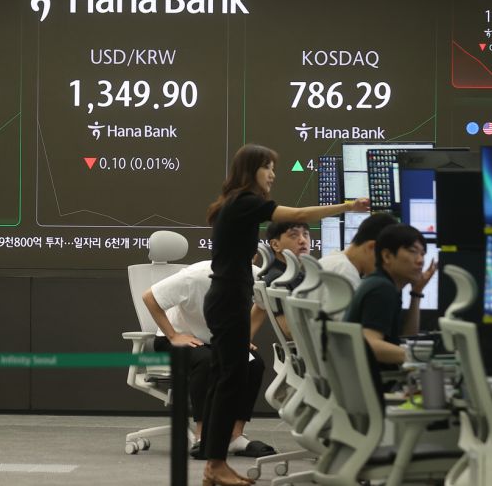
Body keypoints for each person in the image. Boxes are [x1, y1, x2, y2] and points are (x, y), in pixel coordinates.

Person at [201, 144, 369, 486]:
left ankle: (213, 463)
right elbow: (300, 213)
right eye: (267, 167)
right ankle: (215, 464)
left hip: (226, 298)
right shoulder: (245, 201)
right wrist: (348, 206)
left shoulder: (234, 203)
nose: (272, 174)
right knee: (230, 381)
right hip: (228, 299)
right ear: (251, 170)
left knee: (225, 380)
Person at [142, 260, 276, 459]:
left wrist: (243, 338)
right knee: (207, 361)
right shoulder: (194, 276)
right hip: (176, 339)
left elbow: (262, 305)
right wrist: (173, 335)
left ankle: (235, 436)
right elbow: (149, 297)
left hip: (216, 341)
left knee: (253, 364)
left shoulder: (255, 275)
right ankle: (203, 436)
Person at [343, 223, 436, 367]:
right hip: (377, 379)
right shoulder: (382, 289)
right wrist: (420, 357)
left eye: (422, 254)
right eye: (413, 251)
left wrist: (416, 293)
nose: (420, 261)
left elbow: (407, 337)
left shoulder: (381, 283)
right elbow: (370, 344)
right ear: (387, 256)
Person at [319, 212, 398, 289]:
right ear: (371, 247)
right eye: (386, 257)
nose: (385, 268)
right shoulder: (346, 273)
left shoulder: (333, 261)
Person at [261, 222, 311, 339]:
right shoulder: (278, 280)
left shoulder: (295, 274)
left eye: (305, 234)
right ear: (275, 245)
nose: (303, 240)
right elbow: (291, 331)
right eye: (294, 235)